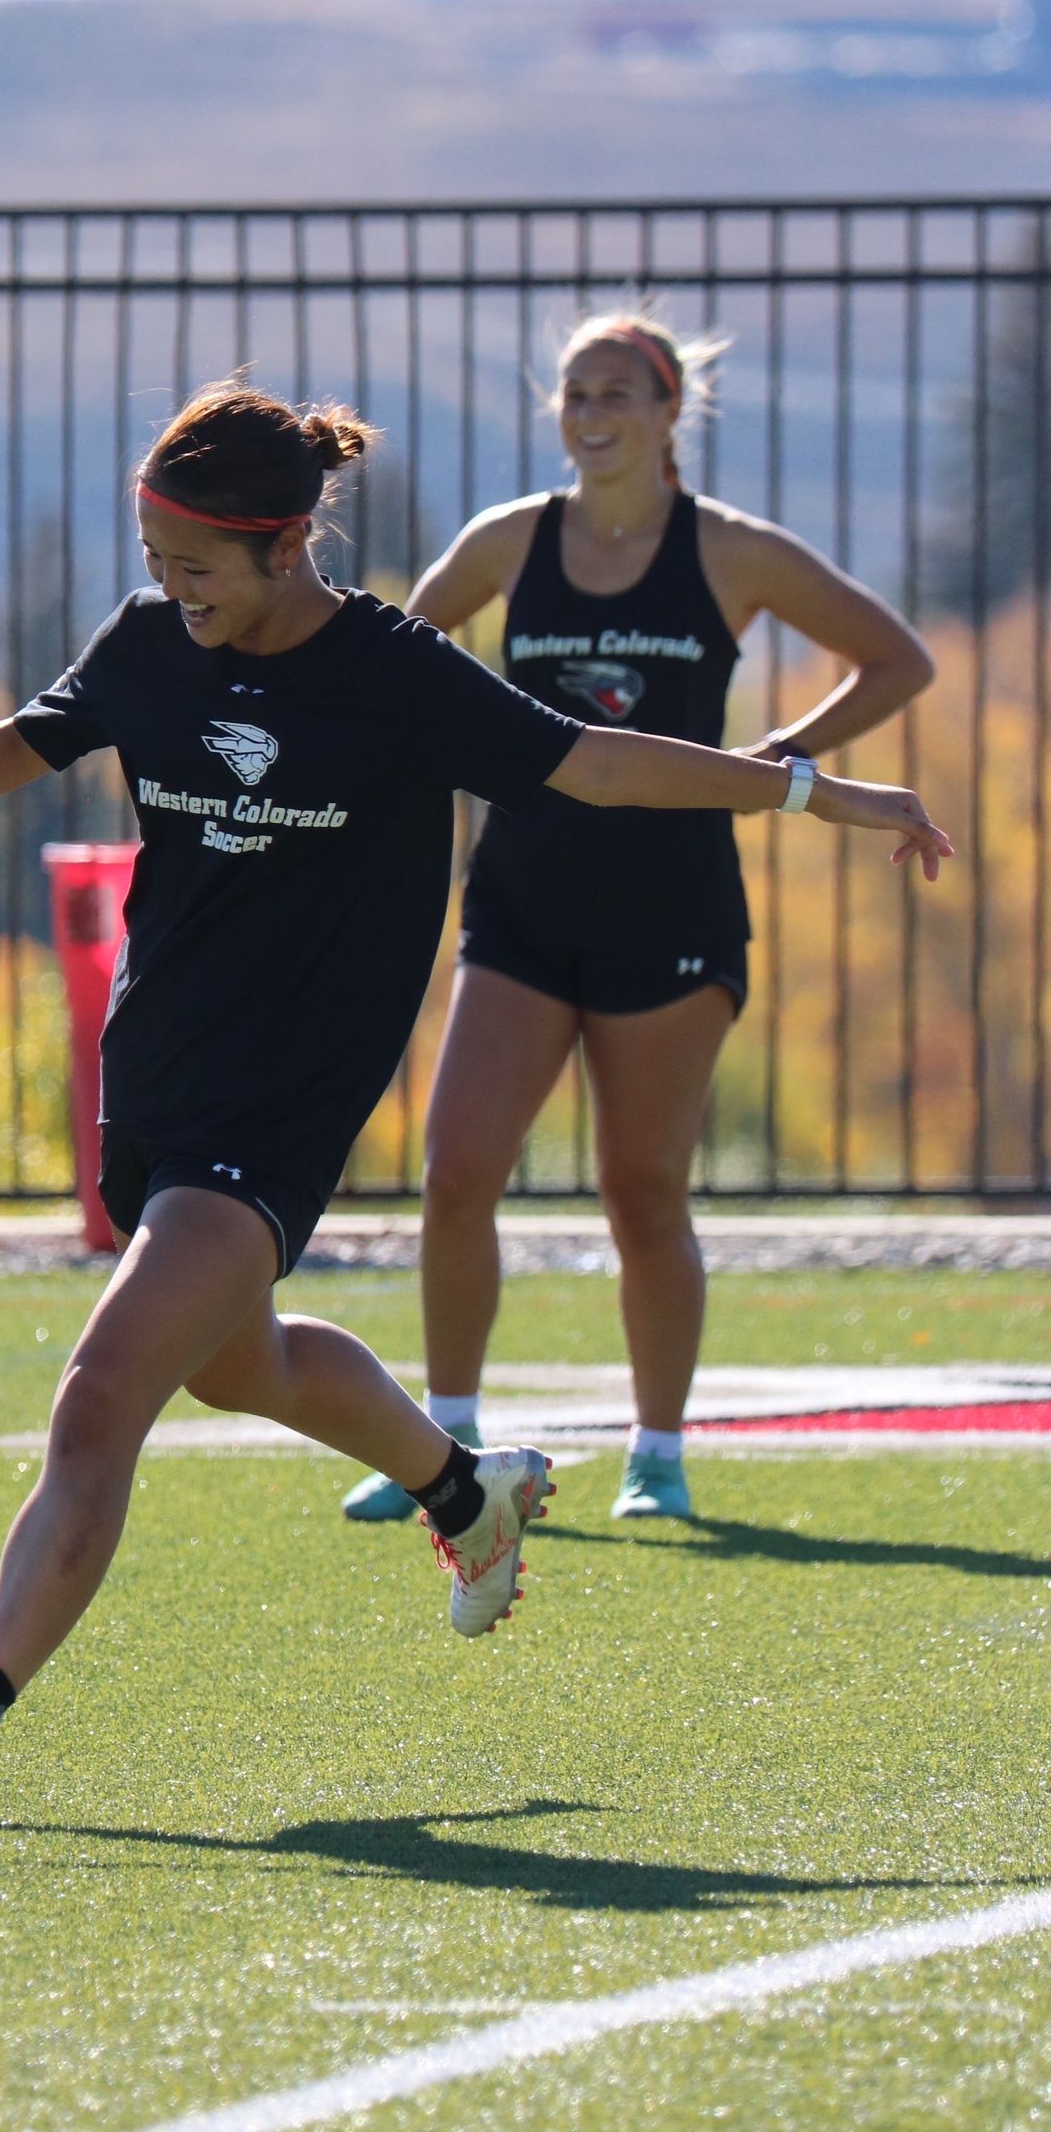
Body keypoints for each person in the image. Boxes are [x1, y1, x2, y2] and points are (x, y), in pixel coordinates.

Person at [0, 381, 949, 1823]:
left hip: (286, 1098)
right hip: (161, 1069)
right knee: (240, 1368)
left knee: (104, 1392)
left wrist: (816, 791)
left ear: (289, 544)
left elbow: (602, 767)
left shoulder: (395, 672)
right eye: (156, 560)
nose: (170, 593)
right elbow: (30, 739)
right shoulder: (146, 642)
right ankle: (464, 1494)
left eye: (197, 568)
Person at [342, 312, 938, 1529]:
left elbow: (896, 660)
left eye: (618, 392)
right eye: (574, 393)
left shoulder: (732, 553)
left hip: (672, 910)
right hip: (520, 901)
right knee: (457, 1170)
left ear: (673, 415)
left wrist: (783, 758)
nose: (593, 412)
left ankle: (656, 1454)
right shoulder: (510, 539)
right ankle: (441, 1445)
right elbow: (391, 663)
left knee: (641, 1189)